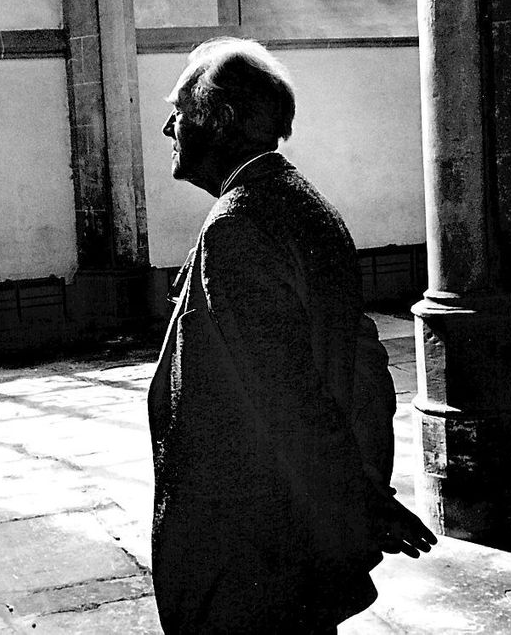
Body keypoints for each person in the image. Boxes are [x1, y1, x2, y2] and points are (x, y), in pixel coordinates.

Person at [147, 38, 436, 634]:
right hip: (295, 532)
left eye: (179, 109)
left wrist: (359, 497)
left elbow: (285, 395)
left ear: (221, 119)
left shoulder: (239, 225)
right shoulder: (302, 203)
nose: (168, 126)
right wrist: (359, 490)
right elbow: (365, 371)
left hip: (250, 539)